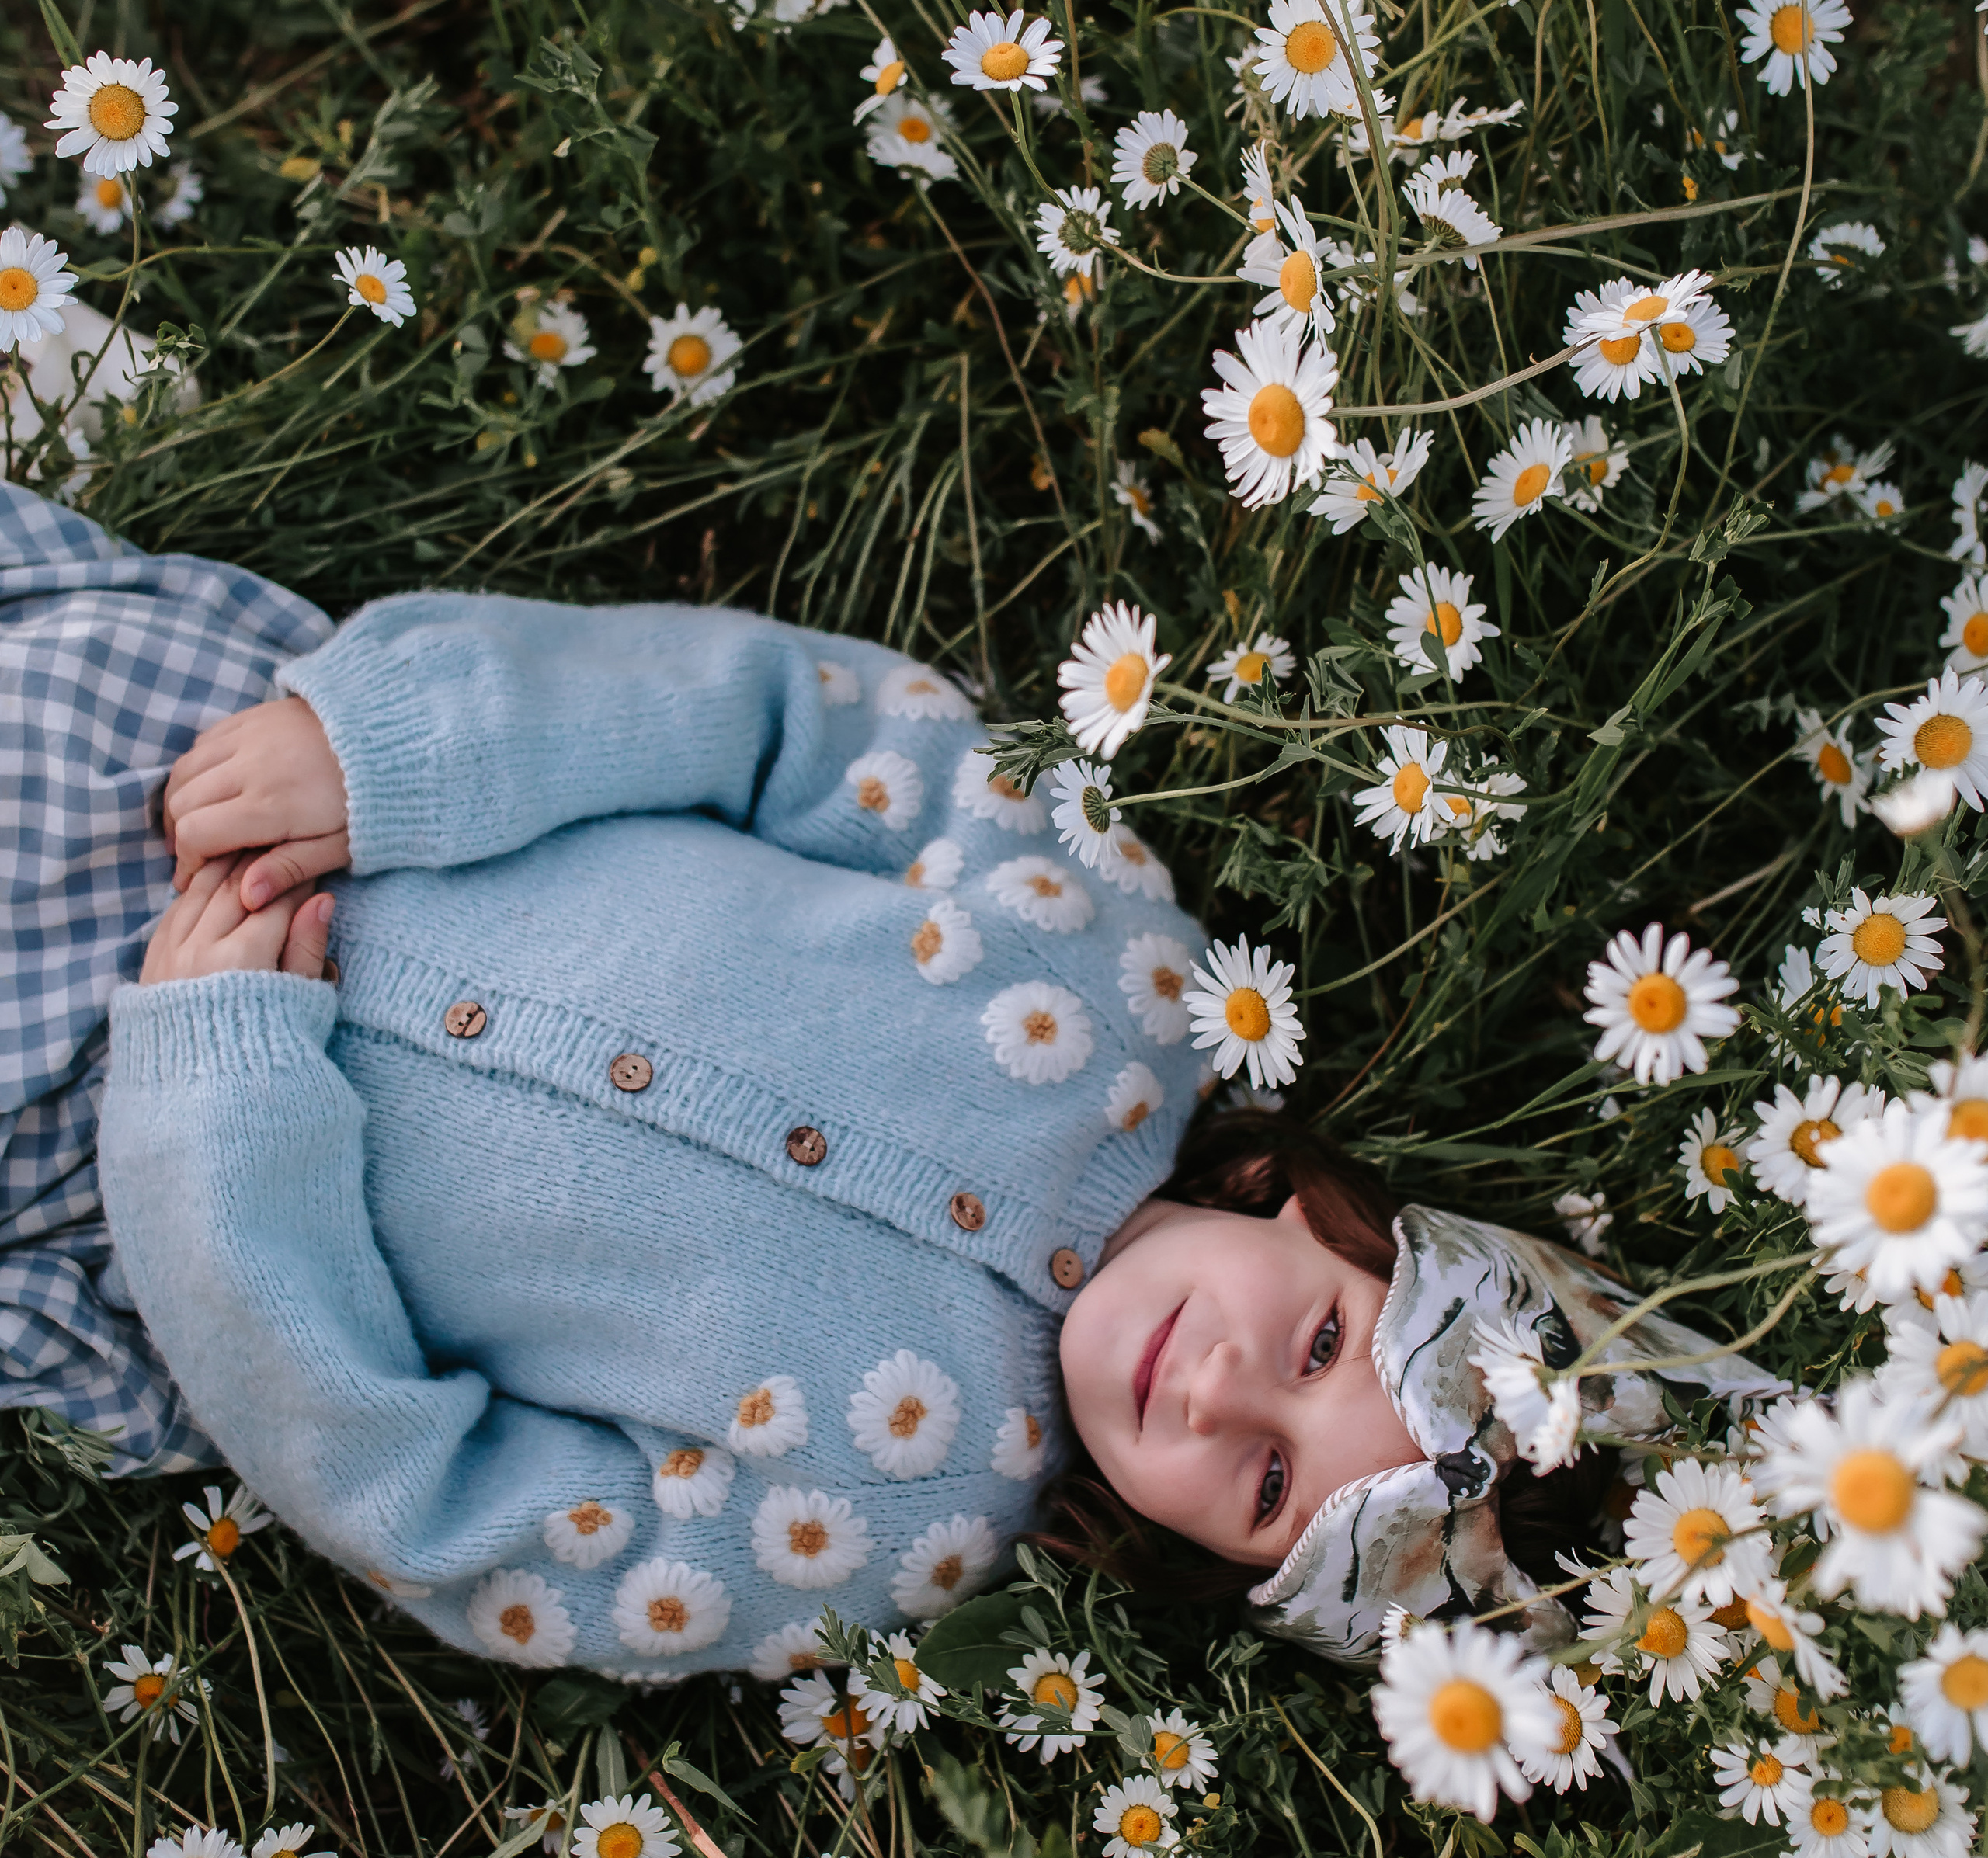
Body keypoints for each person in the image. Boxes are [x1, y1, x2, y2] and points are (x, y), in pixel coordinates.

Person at [5, 481, 1774, 1686]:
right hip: (230, 760)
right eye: (1315, 1345)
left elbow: (429, 1509)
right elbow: (801, 723)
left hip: (102, 1140)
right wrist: (393, 747)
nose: (1224, 1395)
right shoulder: (1119, 982)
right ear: (1306, 1213)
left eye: (1259, 1491)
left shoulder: (872, 1544)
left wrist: (212, 1116)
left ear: (1208, 1572)